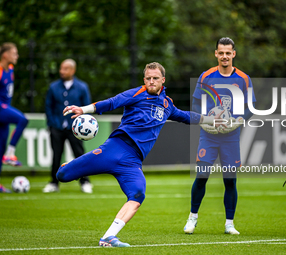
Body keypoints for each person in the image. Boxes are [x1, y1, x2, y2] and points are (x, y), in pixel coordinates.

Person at [56, 62, 224, 247]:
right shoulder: (136, 93)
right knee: (62, 175)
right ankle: (68, 167)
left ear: (163, 80)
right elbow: (112, 102)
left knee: (137, 194)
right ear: (144, 79)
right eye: (148, 78)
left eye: (155, 79)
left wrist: (210, 119)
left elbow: (185, 116)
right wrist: (83, 109)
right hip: (114, 148)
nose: (151, 82)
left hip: (132, 161)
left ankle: (108, 237)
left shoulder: (167, 104)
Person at [183, 37, 255, 235]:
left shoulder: (243, 78)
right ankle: (192, 217)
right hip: (209, 134)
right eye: (221, 52)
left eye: (228, 53)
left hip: (231, 137)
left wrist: (237, 121)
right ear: (216, 53)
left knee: (230, 180)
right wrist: (206, 120)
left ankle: (229, 223)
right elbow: (196, 104)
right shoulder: (206, 76)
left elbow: (251, 107)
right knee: (202, 176)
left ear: (233, 54)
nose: (224, 56)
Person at [43, 59, 93, 193]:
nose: (62, 71)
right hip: (57, 127)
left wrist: (80, 124)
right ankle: (54, 182)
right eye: (61, 68)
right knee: (56, 155)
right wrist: (52, 124)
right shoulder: (53, 87)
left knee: (80, 154)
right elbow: (49, 107)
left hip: (75, 128)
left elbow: (86, 106)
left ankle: (85, 181)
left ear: (73, 70)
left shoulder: (82, 87)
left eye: (65, 69)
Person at [0, 42, 29, 193]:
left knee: (0, 148)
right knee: (22, 119)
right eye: (14, 53)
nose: (17, 56)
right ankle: (10, 154)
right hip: (1, 109)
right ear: (5, 55)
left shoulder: (10, 69)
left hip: (4, 114)